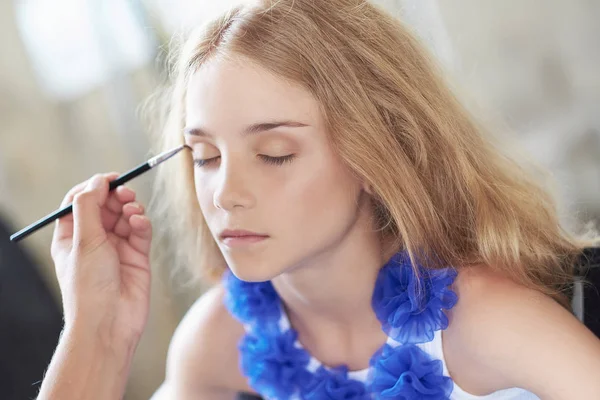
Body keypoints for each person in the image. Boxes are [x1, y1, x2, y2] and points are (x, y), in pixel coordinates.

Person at [36, 1, 600, 399]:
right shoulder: (218, 342)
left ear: (378, 153)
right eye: (205, 157)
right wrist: (92, 330)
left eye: (275, 153)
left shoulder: (486, 323)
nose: (227, 194)